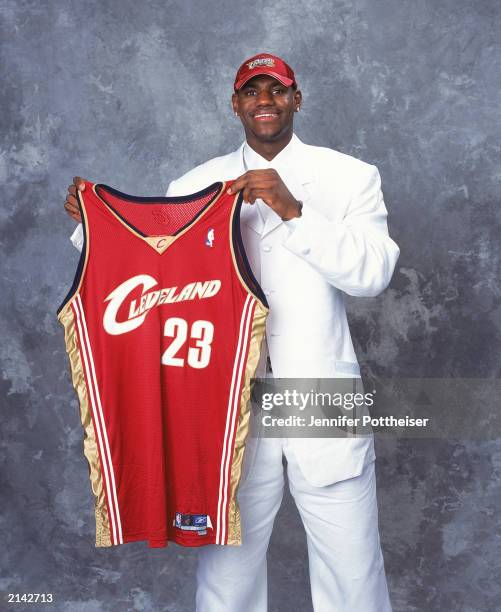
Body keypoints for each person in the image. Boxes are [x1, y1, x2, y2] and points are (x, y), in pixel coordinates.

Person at [63, 53, 399, 612]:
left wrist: (293, 210)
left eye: (277, 90)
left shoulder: (349, 176)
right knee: (226, 577)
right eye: (251, 91)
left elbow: (374, 273)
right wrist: (91, 226)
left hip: (318, 394)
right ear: (235, 103)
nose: (263, 100)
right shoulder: (195, 183)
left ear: (297, 99)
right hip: (223, 400)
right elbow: (150, 262)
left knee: (354, 572)